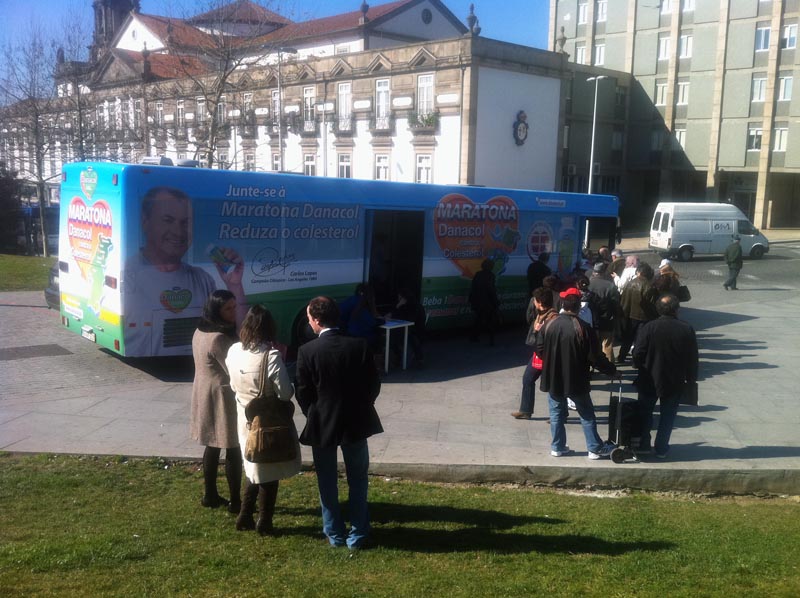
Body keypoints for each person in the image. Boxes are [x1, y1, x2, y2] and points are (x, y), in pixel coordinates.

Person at [296, 296, 383, 550]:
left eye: (309, 318)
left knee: (326, 479)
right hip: (356, 421)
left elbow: (303, 390)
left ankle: (334, 532)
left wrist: (313, 412)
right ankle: (358, 532)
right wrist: (362, 405)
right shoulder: (359, 346)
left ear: (317, 320)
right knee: (358, 478)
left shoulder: (307, 351)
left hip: (323, 422)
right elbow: (373, 384)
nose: (309, 322)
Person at [124, 186, 246, 355]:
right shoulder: (127, 274)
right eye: (167, 220)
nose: (178, 232)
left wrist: (235, 287)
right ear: (146, 223)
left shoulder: (202, 280)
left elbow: (241, 332)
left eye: (185, 223)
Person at [226, 305, 300, 535]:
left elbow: (231, 384)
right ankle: (264, 521)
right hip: (267, 420)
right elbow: (285, 393)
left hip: (244, 417)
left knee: (253, 465)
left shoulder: (234, 351)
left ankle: (246, 515)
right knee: (269, 468)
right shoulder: (271, 356)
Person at [535, 287, 618, 459]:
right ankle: (594, 448)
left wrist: (551, 360)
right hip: (576, 378)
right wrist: (611, 371)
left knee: (556, 412)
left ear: (563, 306)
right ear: (579, 307)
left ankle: (557, 446)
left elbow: (539, 348)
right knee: (586, 413)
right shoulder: (584, 327)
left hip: (553, 377)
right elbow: (595, 357)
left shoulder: (550, 324)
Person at [190, 290, 241, 512]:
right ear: (217, 310)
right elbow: (234, 369)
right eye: (228, 308)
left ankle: (210, 494)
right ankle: (235, 501)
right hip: (221, 396)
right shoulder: (219, 338)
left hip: (203, 391)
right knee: (232, 446)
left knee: (212, 445)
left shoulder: (200, 329)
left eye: (234, 307)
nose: (233, 312)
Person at [633, 294, 698, 458]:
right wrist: (691, 380)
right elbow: (692, 358)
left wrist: (640, 367)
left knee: (645, 413)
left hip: (649, 378)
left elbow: (637, 353)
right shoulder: (686, 329)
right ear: (677, 309)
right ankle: (661, 447)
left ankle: (644, 444)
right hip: (674, 380)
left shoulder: (648, 327)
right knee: (668, 416)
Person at [511, 287, 558, 419]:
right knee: (527, 379)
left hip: (549, 356)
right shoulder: (541, 313)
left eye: (535, 300)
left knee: (553, 386)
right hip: (539, 354)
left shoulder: (552, 317)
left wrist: (538, 331)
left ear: (539, 302)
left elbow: (550, 338)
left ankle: (560, 414)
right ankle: (526, 410)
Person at [617, 262, 658, 363]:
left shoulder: (630, 283)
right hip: (643, 318)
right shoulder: (649, 287)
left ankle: (621, 357)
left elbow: (623, 300)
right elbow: (652, 305)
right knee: (639, 341)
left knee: (627, 339)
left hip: (629, 316)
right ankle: (636, 360)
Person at [588, 261, 621, 362]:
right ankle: (608, 367)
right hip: (607, 318)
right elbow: (616, 302)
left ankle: (591, 365)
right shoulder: (610, 286)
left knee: (591, 344)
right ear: (604, 272)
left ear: (594, 272)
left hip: (590, 319)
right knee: (607, 344)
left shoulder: (587, 284)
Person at [387, 287, 426, 366]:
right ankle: (397, 356)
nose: (398, 298)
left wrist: (398, 307)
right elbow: (395, 315)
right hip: (405, 328)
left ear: (404, 298)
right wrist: (397, 306)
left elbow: (410, 320)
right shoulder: (403, 305)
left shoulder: (415, 306)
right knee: (391, 336)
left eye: (400, 297)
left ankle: (419, 359)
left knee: (410, 338)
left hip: (415, 329)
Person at [339, 283, 382, 348]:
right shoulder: (360, 304)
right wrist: (381, 320)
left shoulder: (351, 299)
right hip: (358, 336)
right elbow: (371, 322)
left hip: (346, 332)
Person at [469, 258, 500, 345]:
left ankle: (474, 336)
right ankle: (491, 340)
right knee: (490, 320)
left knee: (478, 319)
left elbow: (473, 288)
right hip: (487, 302)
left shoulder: (478, 274)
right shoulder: (490, 275)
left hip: (477, 300)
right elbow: (491, 290)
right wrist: (496, 301)